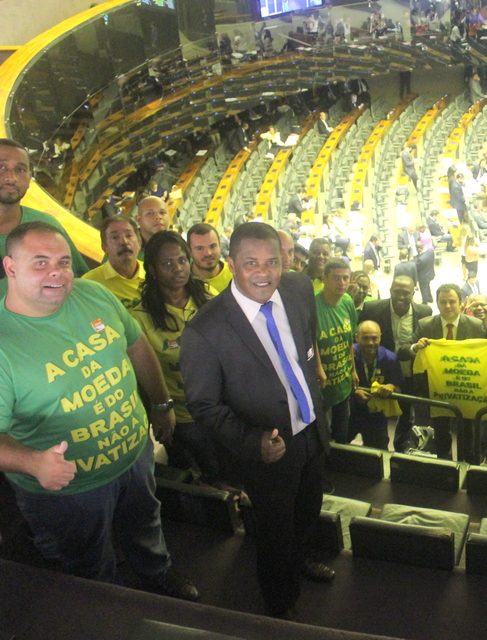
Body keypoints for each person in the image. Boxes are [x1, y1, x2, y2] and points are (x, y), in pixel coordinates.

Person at [0, 221, 197, 600]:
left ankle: (157, 575)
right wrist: (33, 463)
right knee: (86, 561)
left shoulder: (95, 295)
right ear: (10, 268)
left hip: (134, 455)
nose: (57, 272)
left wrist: (160, 405)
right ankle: (107, 605)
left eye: (62, 261)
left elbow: (137, 346)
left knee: (145, 523)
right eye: (39, 263)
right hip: (70, 489)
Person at [181, 222, 334, 619]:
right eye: (251, 263)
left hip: (312, 432)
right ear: (231, 264)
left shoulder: (299, 288)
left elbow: (306, 342)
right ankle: (280, 605)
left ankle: (300, 560)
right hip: (266, 449)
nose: (263, 272)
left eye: (272, 262)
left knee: (308, 509)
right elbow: (204, 405)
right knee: (273, 532)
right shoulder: (204, 330)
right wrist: (254, 443)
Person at [132, 231, 221, 484]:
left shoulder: (207, 296)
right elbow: (142, 372)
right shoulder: (140, 316)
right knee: (189, 476)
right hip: (178, 416)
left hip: (217, 409)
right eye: (167, 263)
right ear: (152, 269)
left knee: (224, 472)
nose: (178, 268)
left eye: (182, 260)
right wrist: (158, 410)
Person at [410, 283, 487, 459]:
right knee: (441, 433)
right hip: (437, 391)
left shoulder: (476, 326)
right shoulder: (425, 325)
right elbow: (404, 349)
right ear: (436, 303)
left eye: (452, 301)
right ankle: (445, 470)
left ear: (461, 303)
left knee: (467, 433)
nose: (448, 306)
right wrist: (416, 347)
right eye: (443, 302)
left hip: (466, 389)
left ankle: (467, 469)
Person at [359, 275, 432, 452]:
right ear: (390, 291)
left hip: (410, 372)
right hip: (381, 374)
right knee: (377, 414)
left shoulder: (424, 312)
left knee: (407, 411)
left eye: (406, 293)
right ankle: (377, 447)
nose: (401, 296)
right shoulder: (372, 308)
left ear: (414, 292)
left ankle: (401, 446)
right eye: (396, 292)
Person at [0, 139, 88, 275]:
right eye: (1, 167)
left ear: (30, 178)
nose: (11, 178)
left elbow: (80, 280)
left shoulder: (47, 227)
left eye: (20, 169)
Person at [316, 259, 358, 445]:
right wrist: (318, 367)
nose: (342, 283)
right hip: (321, 384)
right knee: (321, 434)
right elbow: (310, 342)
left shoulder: (347, 302)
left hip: (343, 378)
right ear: (324, 278)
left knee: (341, 431)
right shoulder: (313, 306)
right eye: (336, 278)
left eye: (345, 278)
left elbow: (349, 340)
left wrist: (353, 369)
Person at [348, 321, 403, 450]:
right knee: (336, 446)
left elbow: (399, 387)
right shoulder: (349, 355)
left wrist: (391, 387)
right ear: (357, 337)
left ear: (380, 337)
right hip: (351, 410)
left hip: (377, 415)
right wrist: (353, 392)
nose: (370, 343)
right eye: (365, 338)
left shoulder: (390, 358)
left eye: (374, 338)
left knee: (379, 451)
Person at [186, 223, 232, 293]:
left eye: (212, 246)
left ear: (220, 245)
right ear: (189, 251)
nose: (208, 253)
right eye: (199, 248)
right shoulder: (183, 283)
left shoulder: (235, 274)